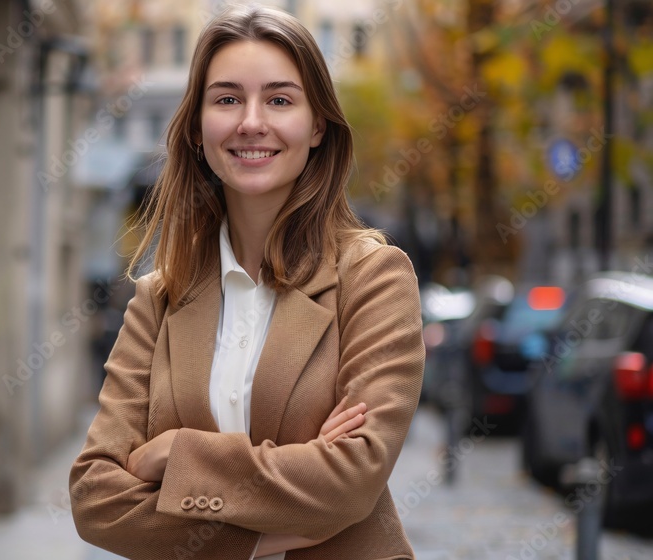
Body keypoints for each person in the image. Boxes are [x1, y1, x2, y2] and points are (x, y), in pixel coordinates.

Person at [69, 5, 424, 559]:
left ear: (317, 127)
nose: (250, 122)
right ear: (196, 128)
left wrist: (176, 455)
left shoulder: (373, 277)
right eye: (227, 98)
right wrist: (277, 526)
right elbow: (95, 499)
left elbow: (352, 479)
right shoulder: (159, 299)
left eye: (279, 100)